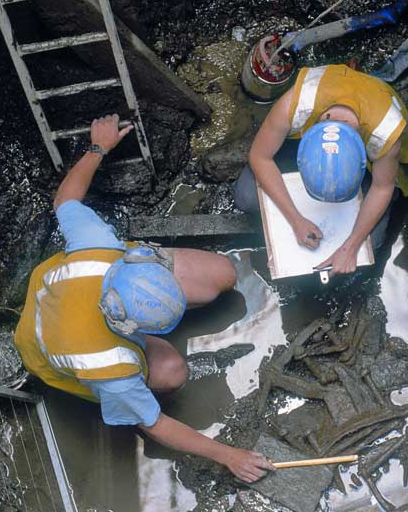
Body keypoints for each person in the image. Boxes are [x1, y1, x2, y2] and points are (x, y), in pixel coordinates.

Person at [14, 115, 275, 484]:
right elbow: (155, 425)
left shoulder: (99, 247)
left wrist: (98, 147)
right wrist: (227, 455)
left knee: (222, 274)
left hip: (77, 295)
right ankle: (154, 368)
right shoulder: (110, 370)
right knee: (172, 371)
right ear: (131, 329)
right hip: (49, 343)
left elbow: (65, 199)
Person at [233, 63, 408, 276]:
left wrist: (349, 247)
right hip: (315, 121)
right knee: (246, 197)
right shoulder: (294, 105)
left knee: (372, 242)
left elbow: (382, 188)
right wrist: (295, 220)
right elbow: (260, 156)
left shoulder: (385, 134)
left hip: (377, 147)